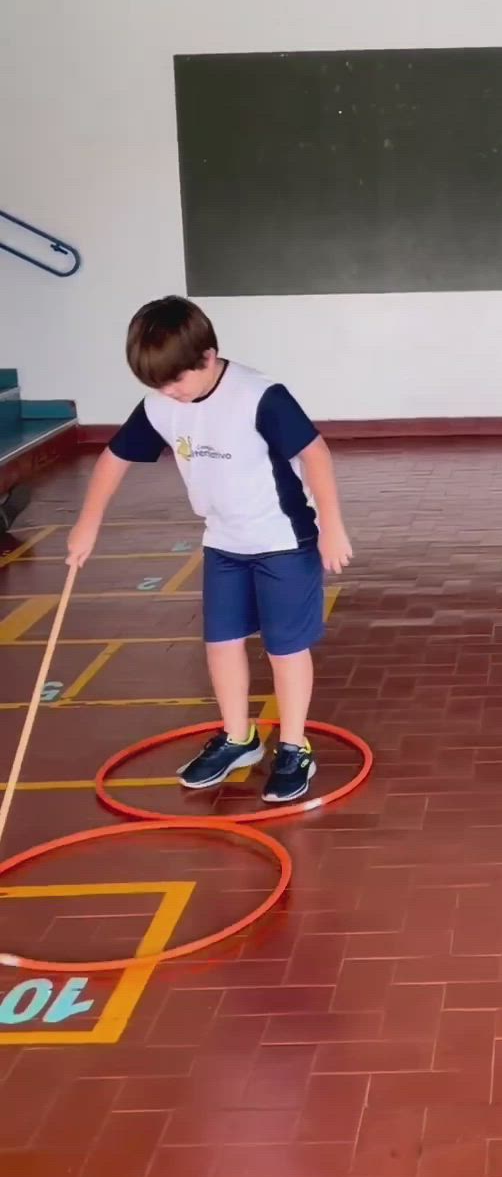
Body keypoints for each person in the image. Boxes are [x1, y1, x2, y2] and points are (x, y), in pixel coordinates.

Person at [66, 297, 351, 802]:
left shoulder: (260, 395)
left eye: (175, 381)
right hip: (222, 542)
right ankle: (239, 738)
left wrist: (332, 526)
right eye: (156, 384)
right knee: (220, 644)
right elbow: (113, 459)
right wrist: (87, 525)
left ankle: (293, 747)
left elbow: (316, 454)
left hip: (283, 541)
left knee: (285, 649)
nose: (167, 394)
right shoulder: (161, 402)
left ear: (208, 357)